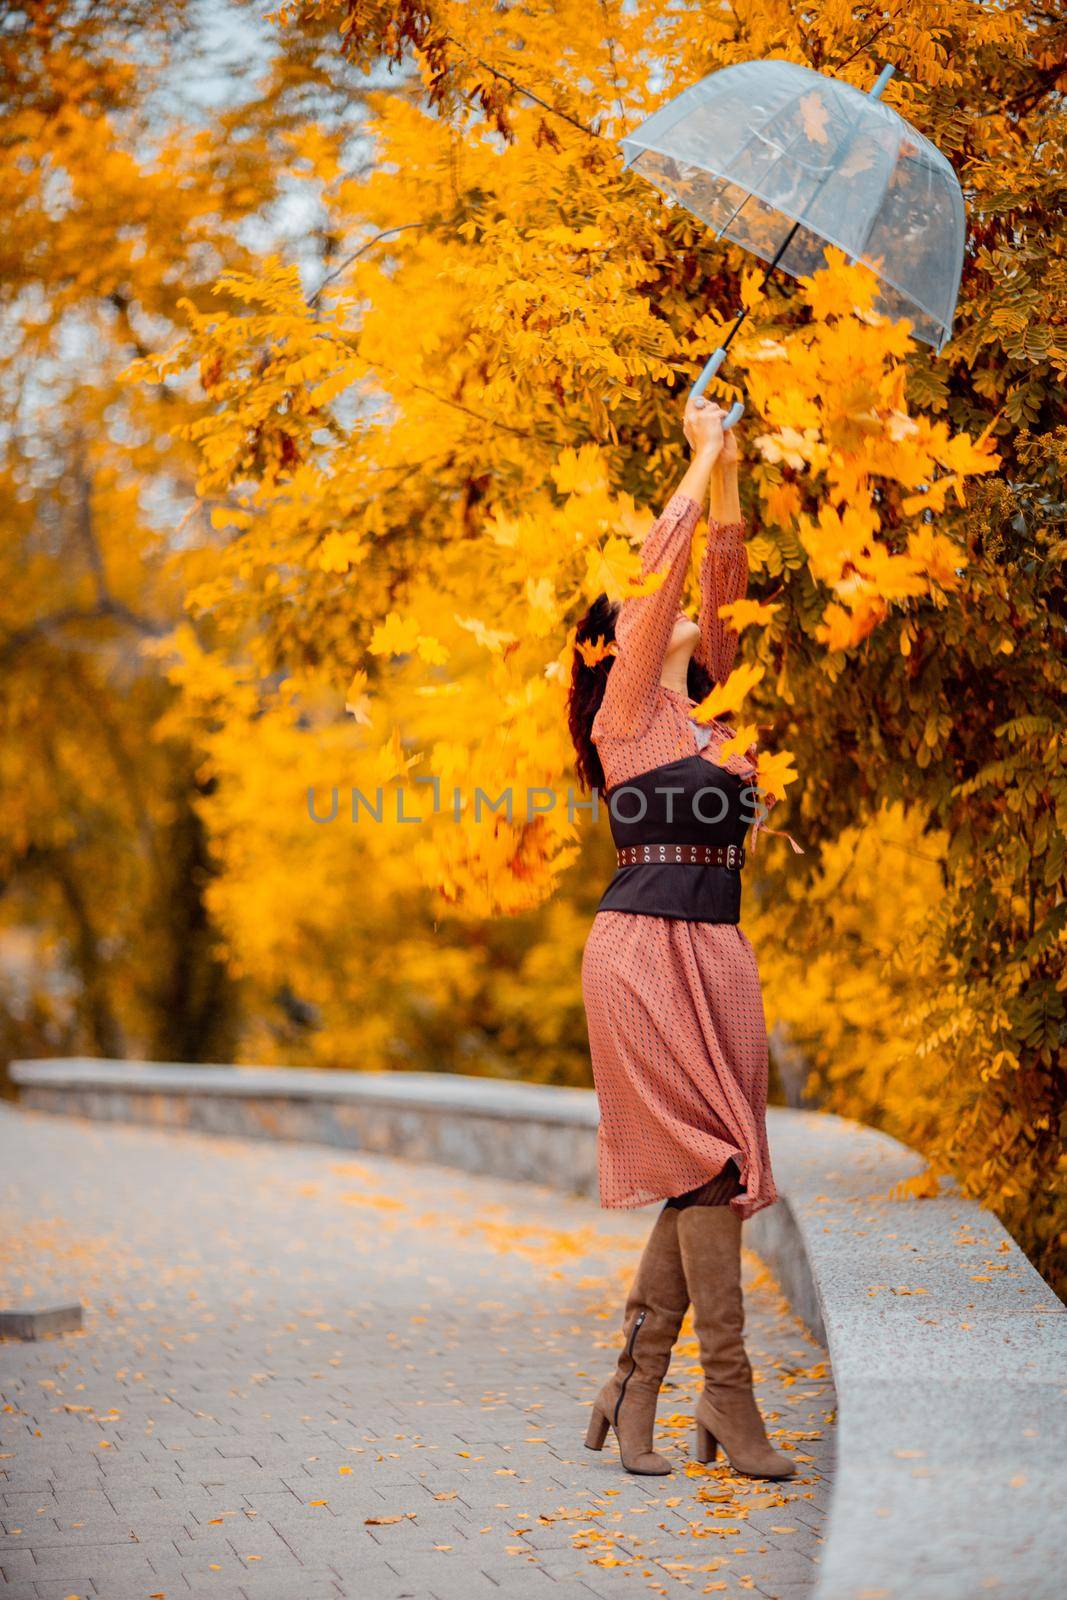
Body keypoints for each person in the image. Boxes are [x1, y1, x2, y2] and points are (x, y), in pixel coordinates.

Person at [567, 393, 799, 1481]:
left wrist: (733, 462)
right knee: (706, 1162)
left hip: (715, 947)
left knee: (716, 1168)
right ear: (621, 641)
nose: (673, 619)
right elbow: (665, 582)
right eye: (642, 616)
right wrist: (696, 451)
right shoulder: (626, 717)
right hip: (638, 950)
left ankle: (633, 1382)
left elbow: (724, 575)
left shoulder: (720, 716)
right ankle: (730, 1396)